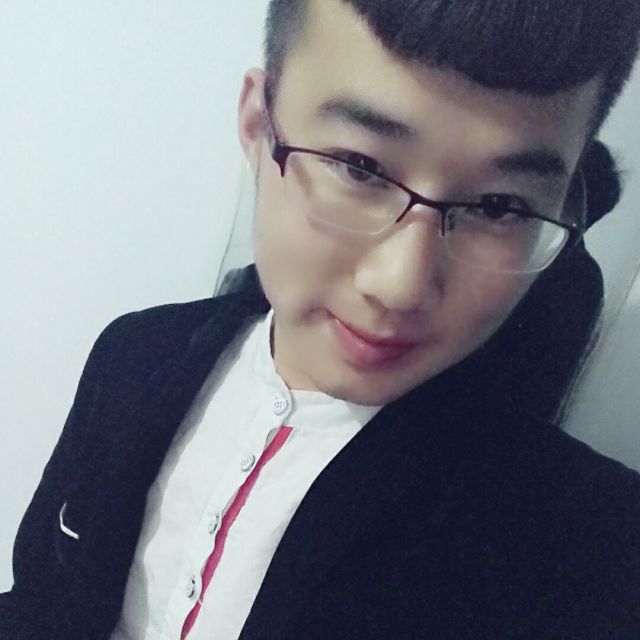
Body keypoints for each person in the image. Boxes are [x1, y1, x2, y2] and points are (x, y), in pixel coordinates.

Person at [2, 1, 640, 638]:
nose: (400, 285)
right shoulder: (134, 355)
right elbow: (41, 598)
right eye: (361, 168)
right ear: (259, 126)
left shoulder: (587, 549)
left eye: (500, 207)